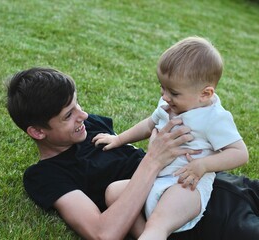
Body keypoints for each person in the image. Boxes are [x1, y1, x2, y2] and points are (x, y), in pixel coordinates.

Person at [6, 67, 259, 239]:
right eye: (68, 115)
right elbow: (102, 233)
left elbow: (150, 126)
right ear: (38, 132)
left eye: (77, 104)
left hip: (222, 183)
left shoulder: (89, 126)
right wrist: (153, 159)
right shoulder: (46, 175)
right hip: (198, 216)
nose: (82, 116)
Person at [92, 36, 248, 239]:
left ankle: (154, 233)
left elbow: (240, 153)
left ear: (205, 93)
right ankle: (145, 234)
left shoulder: (214, 118)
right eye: (162, 87)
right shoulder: (168, 104)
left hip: (186, 186)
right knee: (113, 192)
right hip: (156, 179)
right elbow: (150, 124)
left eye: (173, 92)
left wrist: (204, 165)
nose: (165, 96)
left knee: (158, 223)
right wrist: (119, 139)